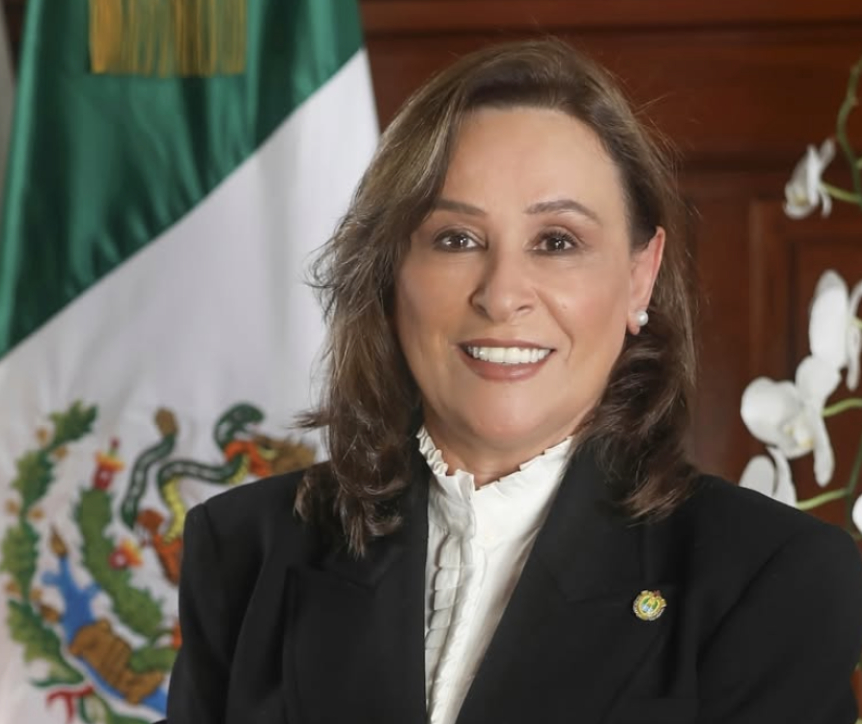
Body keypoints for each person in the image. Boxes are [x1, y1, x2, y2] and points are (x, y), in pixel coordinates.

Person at [163, 38, 862, 724]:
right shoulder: (248, 551)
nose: (501, 296)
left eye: (557, 242)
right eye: (456, 239)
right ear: (389, 272)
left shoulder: (771, 578)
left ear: (639, 277)